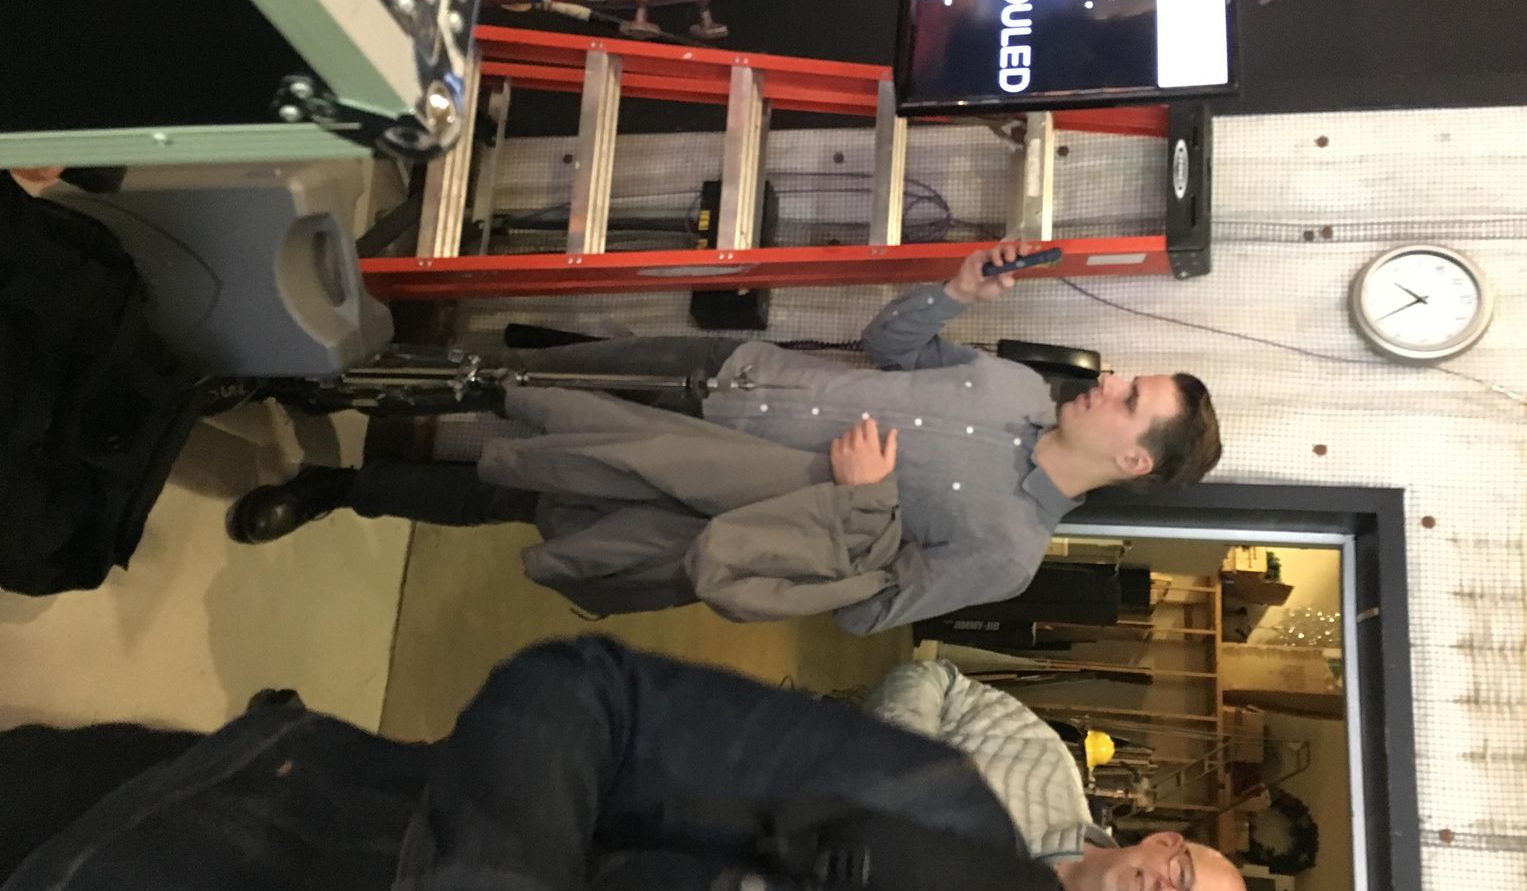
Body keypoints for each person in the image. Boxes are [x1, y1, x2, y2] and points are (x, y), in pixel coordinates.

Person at [0, 638, 1405, 891]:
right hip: (140, 871)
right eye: (1181, 874)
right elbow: (585, 697)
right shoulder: (962, 814)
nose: (1161, 890)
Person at [230, 244, 1223, 633]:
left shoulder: (1006, 555)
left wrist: (866, 500)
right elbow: (889, 348)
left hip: (704, 490)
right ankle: (307, 379)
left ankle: (334, 490)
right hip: (733, 371)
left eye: (1130, 398)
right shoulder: (1017, 385)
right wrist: (953, 293)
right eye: (1127, 378)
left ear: (1134, 459)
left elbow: (868, 611)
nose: (1109, 384)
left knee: (521, 490)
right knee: (520, 378)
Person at [866, 659, 1248, 891]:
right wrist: (900, 770)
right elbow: (935, 679)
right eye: (1182, 875)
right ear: (1163, 842)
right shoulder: (1042, 756)